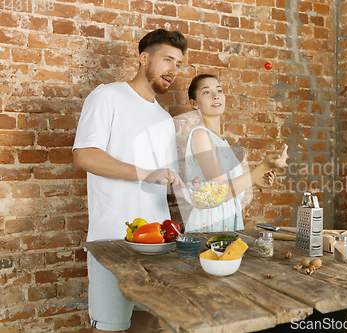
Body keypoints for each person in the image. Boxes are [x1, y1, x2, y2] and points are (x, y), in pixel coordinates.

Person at [72, 29, 187, 333]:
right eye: (168, 60)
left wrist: (188, 189)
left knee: (146, 326)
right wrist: (145, 173)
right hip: (113, 243)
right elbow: (84, 156)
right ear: (143, 58)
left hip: (159, 244)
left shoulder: (164, 119)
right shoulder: (107, 96)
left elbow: (166, 180)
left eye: (178, 64)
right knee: (109, 328)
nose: (174, 70)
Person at [182, 74, 288, 233]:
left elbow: (227, 182)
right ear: (194, 103)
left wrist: (255, 179)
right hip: (209, 223)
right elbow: (220, 190)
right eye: (206, 92)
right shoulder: (200, 135)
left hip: (228, 218)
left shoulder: (221, 140)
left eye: (219, 90)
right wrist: (264, 166)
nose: (216, 95)